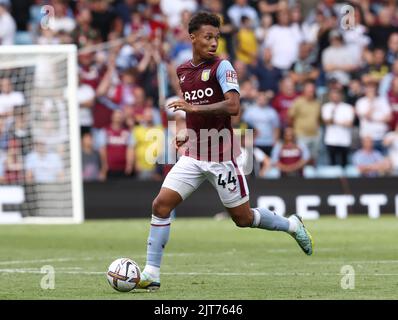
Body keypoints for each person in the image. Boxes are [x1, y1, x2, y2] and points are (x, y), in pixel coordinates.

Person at [136, 12, 313, 291]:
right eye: (208, 37)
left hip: (222, 157)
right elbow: (199, 117)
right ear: (192, 37)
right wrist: (187, 131)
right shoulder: (183, 71)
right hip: (194, 155)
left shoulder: (223, 66)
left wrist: (194, 109)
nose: (213, 42)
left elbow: (233, 107)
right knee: (161, 205)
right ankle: (151, 274)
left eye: (217, 37)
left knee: (242, 219)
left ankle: (291, 225)